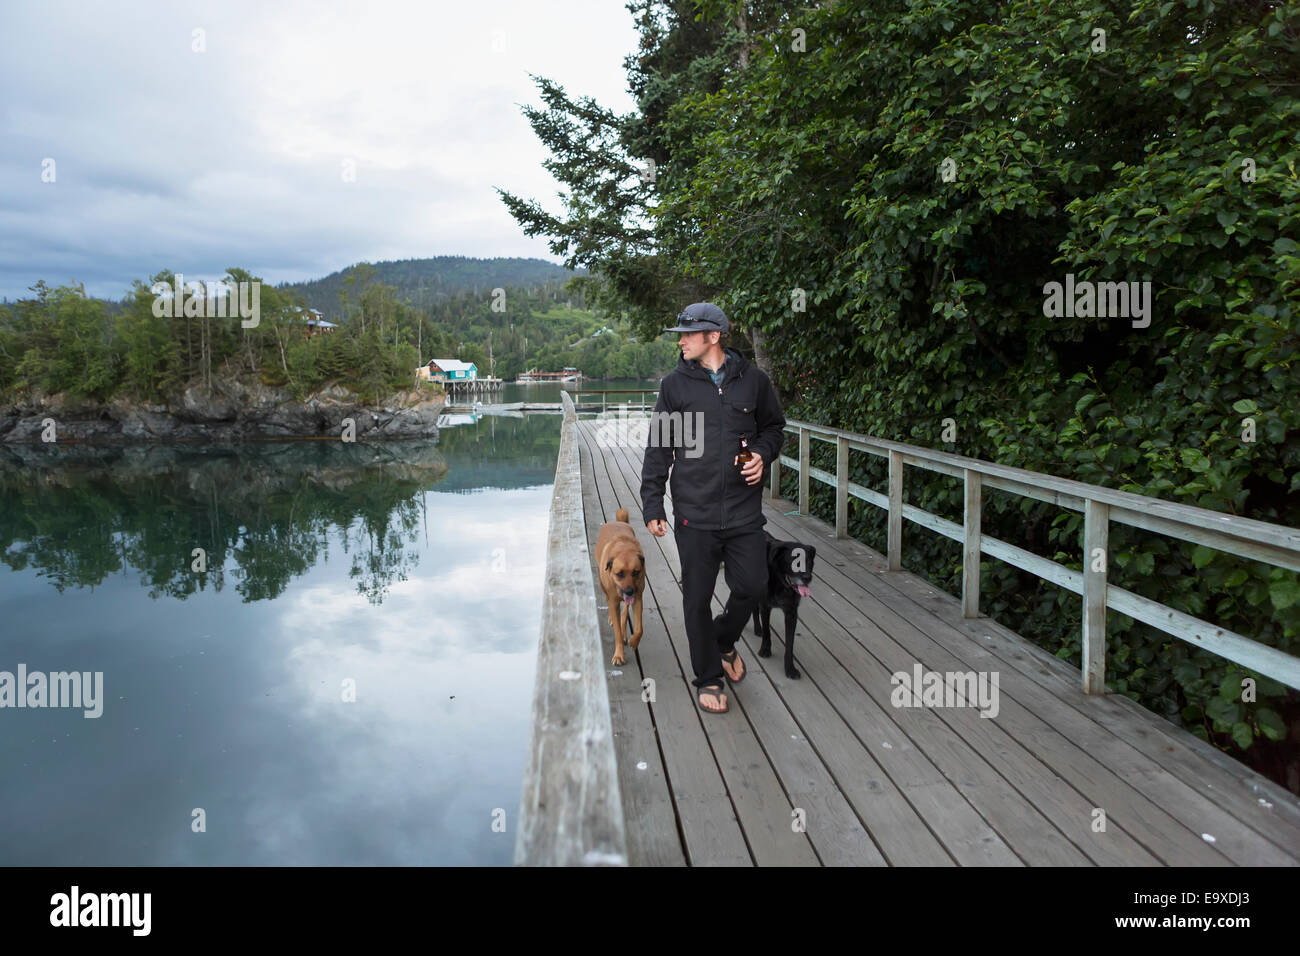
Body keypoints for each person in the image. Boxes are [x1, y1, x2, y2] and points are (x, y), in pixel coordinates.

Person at [640, 302, 786, 713]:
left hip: (743, 512)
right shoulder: (675, 386)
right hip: (695, 513)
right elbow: (660, 446)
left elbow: (774, 428)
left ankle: (722, 641)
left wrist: (762, 452)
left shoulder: (753, 382)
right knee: (697, 598)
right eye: (680, 334)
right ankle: (708, 676)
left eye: (688, 334)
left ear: (714, 337)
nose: (681, 341)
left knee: (753, 586)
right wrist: (653, 502)